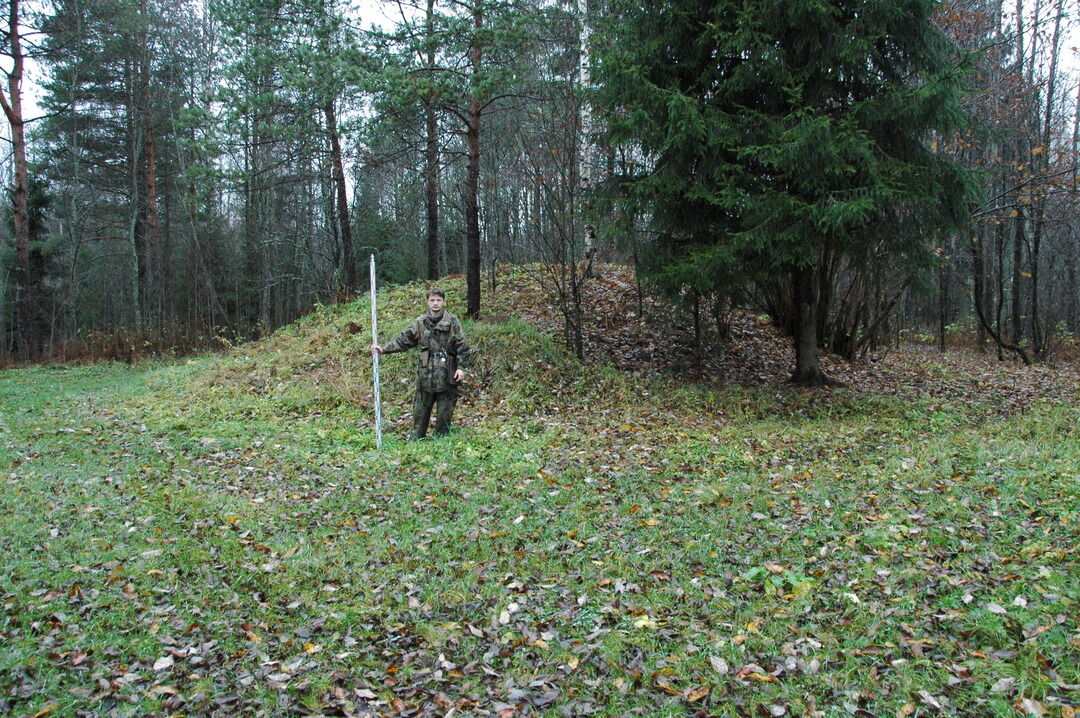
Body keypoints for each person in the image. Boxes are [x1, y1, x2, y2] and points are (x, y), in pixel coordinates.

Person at [373, 288, 472, 440]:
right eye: (432, 300)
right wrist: (384, 349)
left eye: (438, 300)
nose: (435, 304)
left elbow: (463, 347)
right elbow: (404, 341)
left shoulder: (453, 321)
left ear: (444, 302)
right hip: (426, 373)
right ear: (427, 302)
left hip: (447, 372)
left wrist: (461, 368)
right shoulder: (419, 323)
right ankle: (417, 439)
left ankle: (442, 441)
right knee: (420, 410)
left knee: (445, 411)